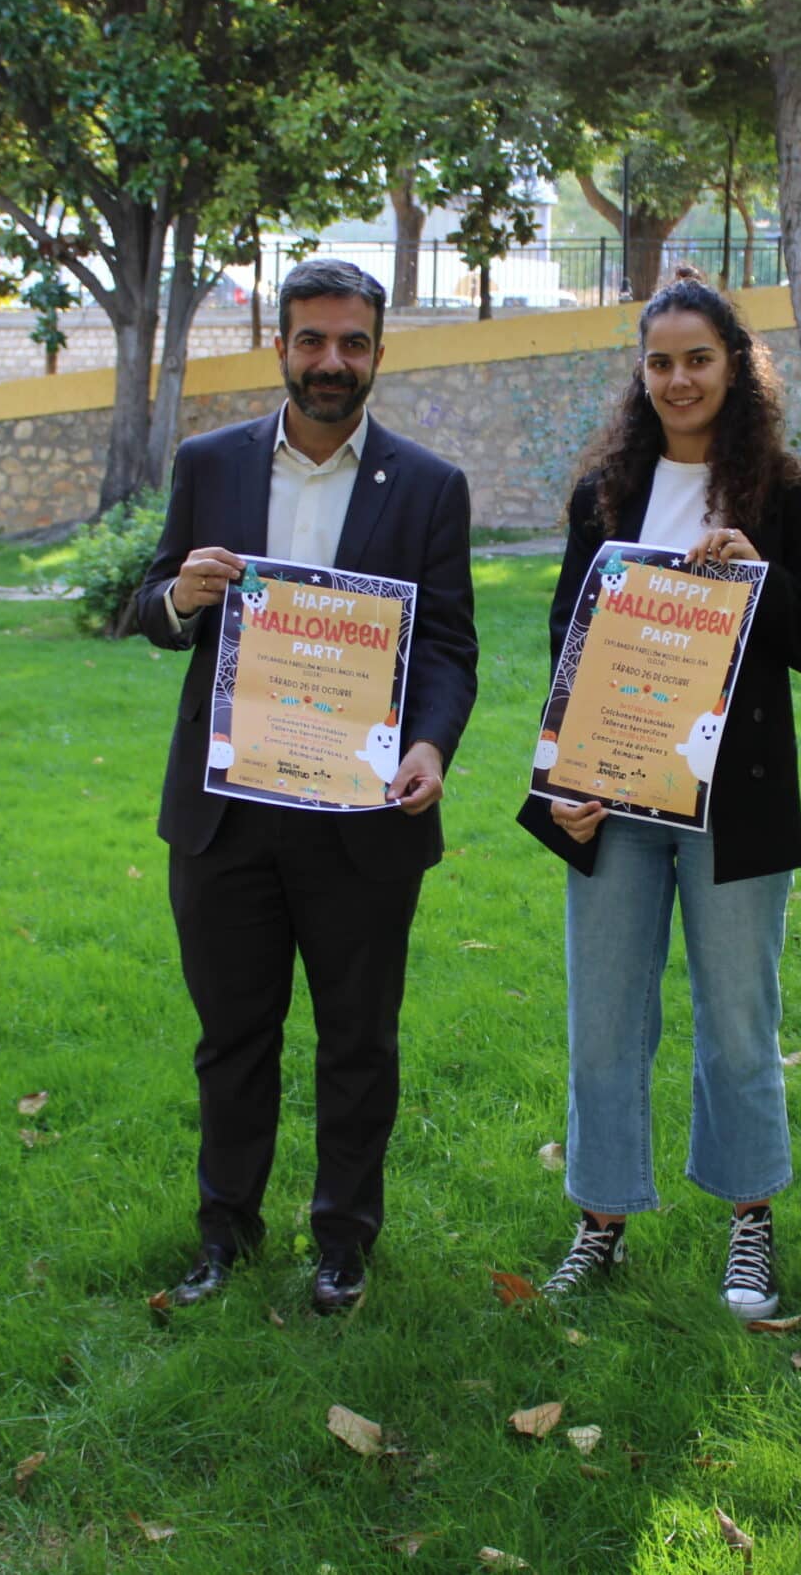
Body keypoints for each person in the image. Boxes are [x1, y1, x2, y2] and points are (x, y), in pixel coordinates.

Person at [135, 258, 478, 1314]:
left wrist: (430, 745)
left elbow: (448, 645)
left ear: (378, 352)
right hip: (226, 811)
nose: (333, 361)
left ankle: (342, 1242)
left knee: (358, 1041)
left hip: (361, 816)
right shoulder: (209, 464)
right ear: (278, 346)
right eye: (313, 340)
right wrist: (182, 597)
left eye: (353, 342)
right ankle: (223, 1235)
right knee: (232, 1037)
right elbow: (147, 606)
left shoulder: (428, 485)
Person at [514, 265, 801, 1318]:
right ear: (641, 373)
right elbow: (569, 643)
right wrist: (559, 782)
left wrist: (761, 576)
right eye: (658, 362)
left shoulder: (782, 493)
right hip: (613, 796)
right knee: (604, 1022)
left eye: (698, 359)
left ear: (736, 366)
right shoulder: (606, 494)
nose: (677, 380)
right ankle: (601, 1220)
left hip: (733, 803)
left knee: (739, 1022)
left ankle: (749, 1221)